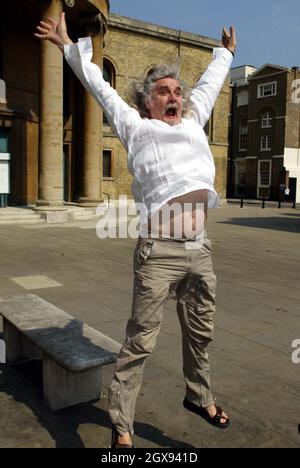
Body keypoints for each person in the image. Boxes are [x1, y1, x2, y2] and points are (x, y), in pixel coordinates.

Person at [35, 13, 236, 448]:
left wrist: (225, 55)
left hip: (200, 250)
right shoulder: (137, 127)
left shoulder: (192, 120)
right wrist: (69, 46)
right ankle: (122, 423)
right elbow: (100, 88)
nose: (174, 97)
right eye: (163, 91)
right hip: (159, 252)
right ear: (148, 101)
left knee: (202, 332)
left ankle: (198, 396)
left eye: (177, 91)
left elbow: (208, 87)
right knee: (140, 343)